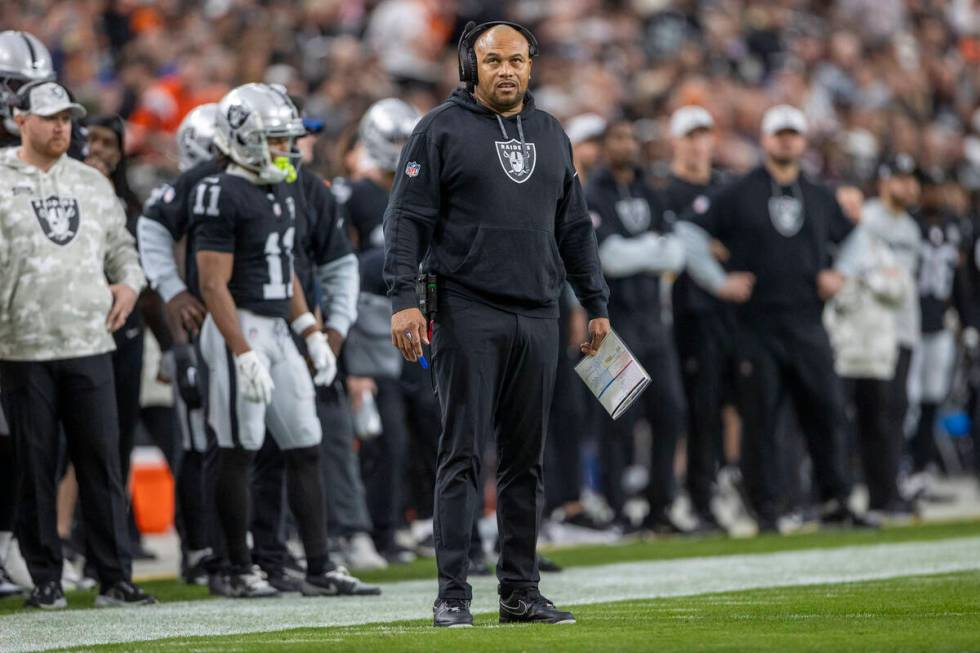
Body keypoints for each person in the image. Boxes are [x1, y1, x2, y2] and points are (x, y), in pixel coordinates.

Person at [383, 21, 609, 627]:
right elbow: (405, 222)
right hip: (466, 309)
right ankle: (453, 593)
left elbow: (575, 229)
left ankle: (519, 592)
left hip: (540, 311)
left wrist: (596, 302)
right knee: (461, 453)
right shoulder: (438, 129)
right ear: (470, 67)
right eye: (493, 61)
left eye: (516, 60)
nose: (506, 71)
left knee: (524, 462)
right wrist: (404, 298)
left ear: (531, 66)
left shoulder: (551, 132)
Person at [194, 83, 377, 598]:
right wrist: (242, 350)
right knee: (239, 447)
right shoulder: (220, 190)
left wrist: (310, 331)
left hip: (277, 325)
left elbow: (285, 270)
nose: (286, 149)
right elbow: (212, 284)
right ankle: (234, 567)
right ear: (243, 138)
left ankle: (319, 565)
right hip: (237, 324)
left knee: (306, 443)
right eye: (275, 139)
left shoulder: (280, 186)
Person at [678, 105, 874, 532]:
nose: (786, 141)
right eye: (779, 133)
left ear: (802, 141)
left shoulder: (819, 193)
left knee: (826, 412)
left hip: (807, 321)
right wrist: (717, 282)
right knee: (760, 421)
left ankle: (836, 500)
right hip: (756, 325)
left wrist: (841, 272)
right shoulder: (738, 191)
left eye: (793, 134)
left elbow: (858, 235)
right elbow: (689, 231)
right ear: (765, 139)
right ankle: (765, 509)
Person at [0, 80, 155, 608]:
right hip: (20, 347)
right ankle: (45, 577)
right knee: (34, 468)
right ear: (19, 119)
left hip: (91, 340)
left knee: (103, 463)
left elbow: (124, 251)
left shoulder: (93, 184)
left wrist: (130, 285)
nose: (62, 126)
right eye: (49, 117)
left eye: (67, 117)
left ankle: (115, 576)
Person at [137, 102, 228, 590]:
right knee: (198, 441)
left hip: (245, 324)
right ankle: (200, 545)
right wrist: (174, 293)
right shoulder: (190, 186)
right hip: (199, 330)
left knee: (239, 442)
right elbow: (151, 231)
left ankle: (239, 542)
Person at [586, 119, 687, 533]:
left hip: (654, 320)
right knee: (618, 420)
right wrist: (652, 249)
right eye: (617, 138)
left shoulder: (652, 189)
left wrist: (639, 252)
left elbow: (677, 255)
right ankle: (616, 510)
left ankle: (660, 507)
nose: (625, 144)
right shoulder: (591, 192)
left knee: (671, 414)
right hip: (612, 320)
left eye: (630, 137)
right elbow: (608, 258)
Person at [824, 183, 913, 520]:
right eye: (844, 206)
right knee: (835, 428)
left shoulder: (878, 247)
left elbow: (900, 289)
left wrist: (866, 280)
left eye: (855, 205)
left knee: (879, 427)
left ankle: (884, 496)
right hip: (839, 351)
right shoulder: (826, 246)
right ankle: (838, 495)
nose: (850, 213)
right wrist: (867, 281)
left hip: (875, 353)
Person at [663, 106, 730, 531]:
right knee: (672, 411)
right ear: (676, 141)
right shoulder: (662, 190)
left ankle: (704, 496)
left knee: (710, 409)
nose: (697, 142)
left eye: (703, 134)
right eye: (690, 135)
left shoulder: (726, 189)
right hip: (674, 313)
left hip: (718, 315)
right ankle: (668, 498)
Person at [855, 154, 923, 515]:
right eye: (901, 178)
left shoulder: (911, 227)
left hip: (904, 329)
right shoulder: (869, 218)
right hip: (873, 330)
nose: (910, 186)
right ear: (884, 181)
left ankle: (888, 489)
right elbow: (864, 271)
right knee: (876, 413)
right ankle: (878, 491)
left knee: (896, 411)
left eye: (912, 179)